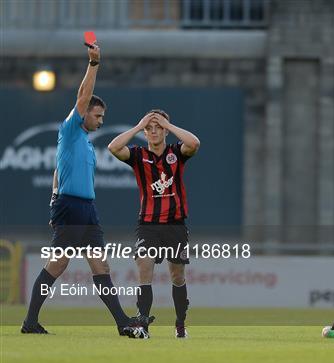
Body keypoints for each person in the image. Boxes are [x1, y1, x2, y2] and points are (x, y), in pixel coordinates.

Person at [21, 41, 137, 337]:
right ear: (84, 113)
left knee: (101, 266)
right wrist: (94, 64)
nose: (101, 120)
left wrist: (52, 197)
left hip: (86, 209)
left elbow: (59, 169)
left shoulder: (83, 141)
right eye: (97, 116)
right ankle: (30, 322)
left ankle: (123, 323)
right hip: (71, 206)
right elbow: (83, 95)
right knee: (57, 265)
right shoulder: (71, 128)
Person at [108, 109, 200, 339]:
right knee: (144, 270)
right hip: (148, 224)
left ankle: (180, 323)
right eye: (150, 128)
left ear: (166, 130)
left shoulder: (176, 153)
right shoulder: (139, 156)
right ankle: (142, 326)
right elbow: (113, 148)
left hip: (175, 224)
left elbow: (194, 143)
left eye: (159, 127)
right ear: (145, 132)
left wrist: (168, 124)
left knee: (177, 276)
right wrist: (139, 126)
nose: (154, 131)